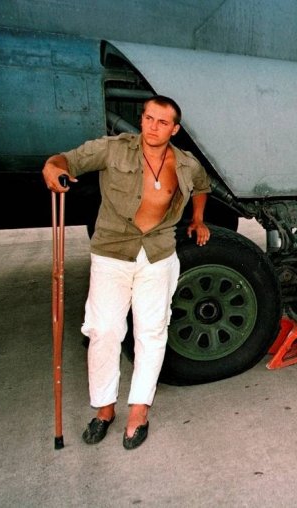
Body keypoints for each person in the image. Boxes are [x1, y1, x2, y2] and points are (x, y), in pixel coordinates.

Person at [42, 95, 211, 450]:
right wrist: (52, 168)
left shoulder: (185, 163)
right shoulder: (114, 149)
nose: (153, 127)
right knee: (103, 330)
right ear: (142, 118)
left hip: (158, 254)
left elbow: (202, 186)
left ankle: (139, 411)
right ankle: (104, 408)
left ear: (174, 129)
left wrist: (198, 219)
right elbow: (68, 159)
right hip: (113, 252)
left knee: (151, 331)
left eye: (162, 122)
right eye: (148, 118)